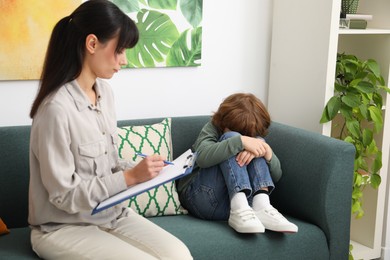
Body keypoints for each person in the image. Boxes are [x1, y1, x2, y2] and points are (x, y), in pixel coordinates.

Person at [28, 1, 192, 259]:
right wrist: (130, 178)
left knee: (180, 255)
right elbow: (63, 196)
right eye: (120, 50)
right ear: (92, 44)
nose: (124, 60)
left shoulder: (105, 94)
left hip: (112, 214)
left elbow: (107, 165)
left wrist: (147, 170)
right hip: (63, 227)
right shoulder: (55, 109)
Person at [177, 93, 298, 234]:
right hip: (202, 199)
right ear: (223, 123)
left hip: (246, 209)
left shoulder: (256, 137)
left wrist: (266, 152)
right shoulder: (212, 128)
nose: (245, 137)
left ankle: (262, 205)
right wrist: (239, 142)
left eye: (248, 135)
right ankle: (239, 204)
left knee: (259, 145)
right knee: (232, 139)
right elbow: (202, 157)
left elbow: (276, 176)